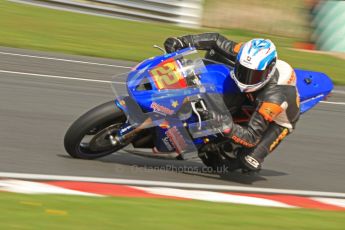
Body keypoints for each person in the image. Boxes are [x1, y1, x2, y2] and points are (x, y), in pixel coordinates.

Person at [164, 33, 300, 172]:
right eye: (243, 70)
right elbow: (216, 40)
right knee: (217, 56)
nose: (246, 78)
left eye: (254, 75)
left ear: (269, 71)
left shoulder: (273, 98)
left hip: (280, 120)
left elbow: (251, 137)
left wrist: (226, 126)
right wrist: (182, 42)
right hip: (251, 95)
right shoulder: (245, 54)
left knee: (248, 161)